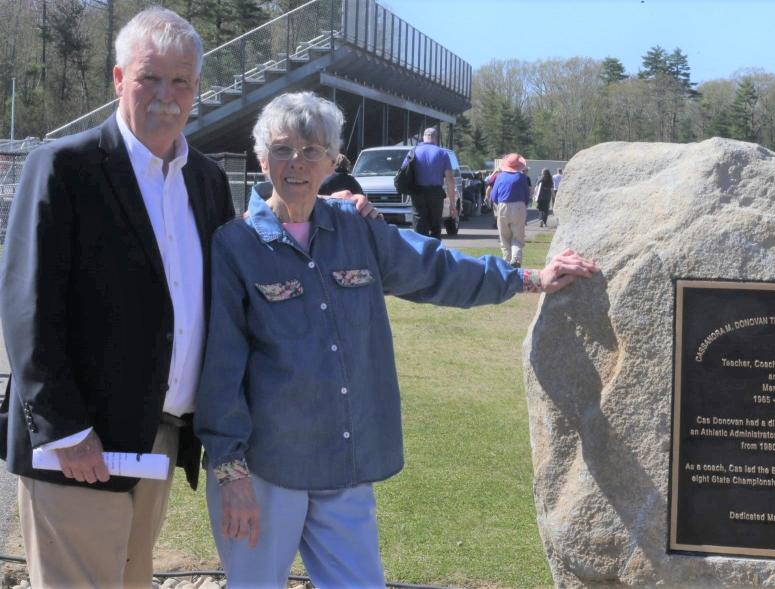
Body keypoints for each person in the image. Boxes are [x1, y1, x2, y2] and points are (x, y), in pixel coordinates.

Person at [0, 9, 373, 587]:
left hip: (158, 436)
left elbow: (242, 270)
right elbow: (27, 308)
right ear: (119, 78)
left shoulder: (203, 179)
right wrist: (67, 430)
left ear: (197, 88)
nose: (165, 96)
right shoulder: (63, 168)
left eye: (181, 82)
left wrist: (331, 214)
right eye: (150, 78)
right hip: (80, 447)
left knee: (130, 579)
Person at [192, 92, 598, 588]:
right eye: (282, 149)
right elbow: (222, 367)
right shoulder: (236, 245)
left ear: (332, 161)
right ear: (261, 159)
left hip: (345, 463)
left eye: (311, 150)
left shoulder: (357, 229)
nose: (296, 163)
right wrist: (230, 473)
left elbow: (437, 269)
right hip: (264, 472)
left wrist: (530, 278)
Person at [409, 127, 456, 239]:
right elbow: (450, 180)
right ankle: (435, 252)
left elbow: (402, 173)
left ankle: (421, 252)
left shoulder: (413, 151)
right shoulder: (442, 153)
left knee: (419, 225)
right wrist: (452, 204)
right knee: (435, 226)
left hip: (417, 192)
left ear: (423, 138)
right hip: (435, 193)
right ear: (436, 138)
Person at [490, 153, 532, 267]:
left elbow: (493, 196)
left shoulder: (500, 177)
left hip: (503, 206)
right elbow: (527, 196)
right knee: (517, 237)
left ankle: (506, 262)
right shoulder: (522, 178)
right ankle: (516, 259)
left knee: (504, 237)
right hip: (519, 206)